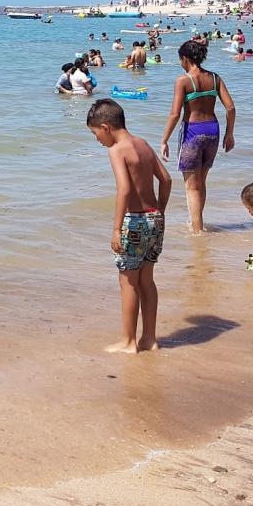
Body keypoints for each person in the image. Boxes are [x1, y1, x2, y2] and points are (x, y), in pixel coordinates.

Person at [85, 98, 172, 354]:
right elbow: (166, 180)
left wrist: (115, 230)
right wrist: (160, 211)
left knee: (128, 282)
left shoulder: (117, 149)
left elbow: (123, 190)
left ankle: (128, 342)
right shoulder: (143, 144)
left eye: (95, 134)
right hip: (155, 218)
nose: (98, 140)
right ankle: (150, 339)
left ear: (106, 127)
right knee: (147, 280)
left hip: (133, 222)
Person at [159, 39, 236, 235]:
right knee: (201, 181)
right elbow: (231, 108)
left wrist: (164, 139)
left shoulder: (183, 81)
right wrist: (230, 134)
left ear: (185, 59)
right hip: (213, 130)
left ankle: (197, 231)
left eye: (180, 60)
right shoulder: (215, 78)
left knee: (191, 186)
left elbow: (175, 114)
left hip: (192, 131)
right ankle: (197, 223)